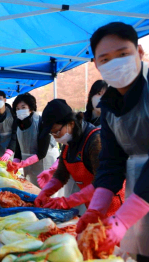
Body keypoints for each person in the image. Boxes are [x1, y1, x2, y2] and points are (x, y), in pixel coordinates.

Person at [76, 22, 149, 260]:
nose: (115, 63)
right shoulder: (109, 107)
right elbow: (111, 161)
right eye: (105, 59)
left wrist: (123, 218)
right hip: (139, 198)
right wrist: (96, 209)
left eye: (123, 55)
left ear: (139, 53)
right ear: (96, 65)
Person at [34, 99, 124, 217]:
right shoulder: (68, 145)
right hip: (94, 208)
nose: (55, 138)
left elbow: (102, 182)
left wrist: (67, 202)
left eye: (57, 132)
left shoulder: (96, 141)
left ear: (71, 123)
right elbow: (61, 175)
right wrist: (44, 193)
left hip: (115, 209)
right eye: (52, 134)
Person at [9, 93, 59, 187]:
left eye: (23, 107)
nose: (20, 111)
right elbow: (19, 147)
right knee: (32, 186)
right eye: (17, 109)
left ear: (31, 108)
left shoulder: (41, 122)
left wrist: (23, 163)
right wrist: (15, 162)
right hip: (29, 164)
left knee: (45, 189)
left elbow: (42, 153)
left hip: (45, 161)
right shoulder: (19, 124)